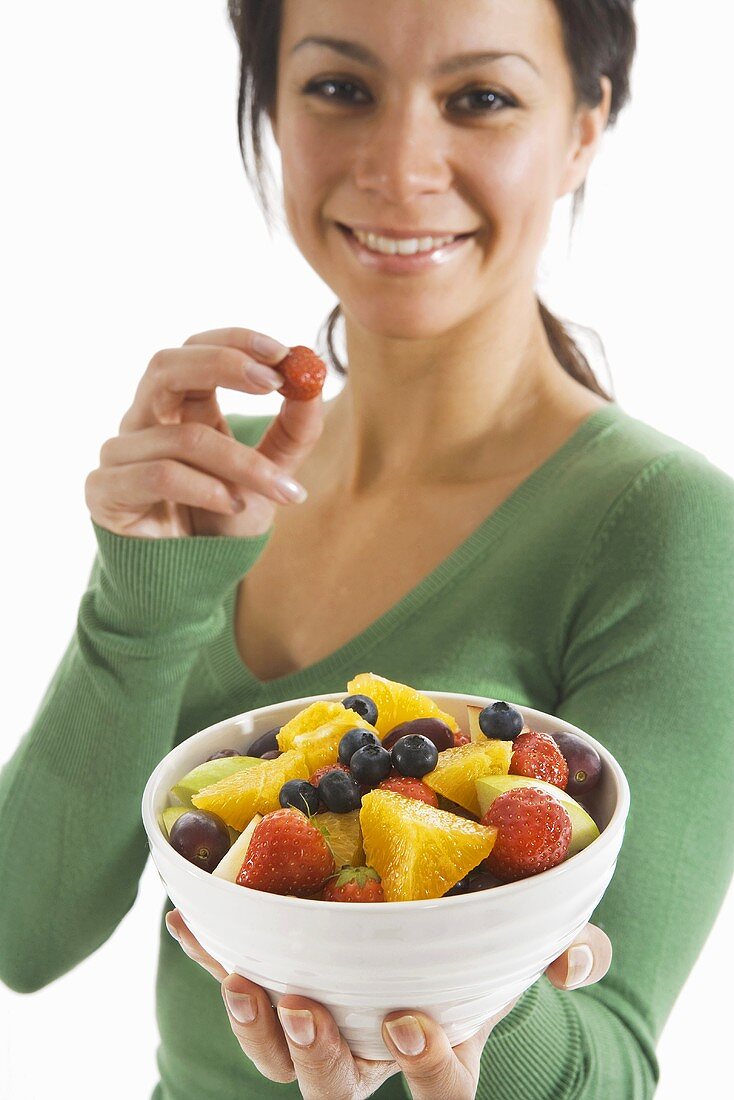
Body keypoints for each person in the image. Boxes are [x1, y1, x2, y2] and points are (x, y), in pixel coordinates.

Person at [1, 1, 732, 1097]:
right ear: (271, 110)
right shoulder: (212, 485)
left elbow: (610, 1068)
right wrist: (141, 607)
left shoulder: (666, 525)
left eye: (478, 98)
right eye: (341, 89)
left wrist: (458, 983)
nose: (397, 166)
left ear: (585, 124)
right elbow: (24, 930)